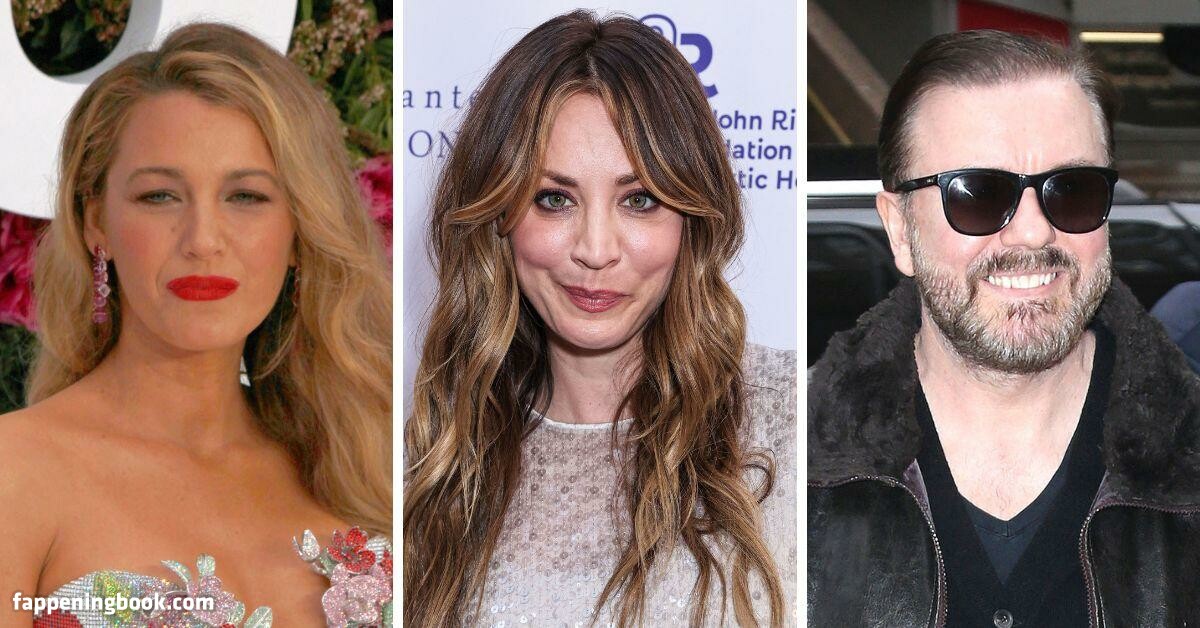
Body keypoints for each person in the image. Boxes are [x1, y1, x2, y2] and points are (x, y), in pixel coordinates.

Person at [404, 10, 795, 628]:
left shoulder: (793, 420)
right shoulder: (438, 463)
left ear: (691, 219)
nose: (595, 249)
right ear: (498, 216)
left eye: (639, 200)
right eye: (553, 199)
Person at [0, 23, 392, 627]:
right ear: (96, 223)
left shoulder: (364, 466)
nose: (203, 241)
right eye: (160, 196)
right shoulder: (16, 471)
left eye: (246, 197)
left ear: (299, 231)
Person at [809, 30, 1200, 627]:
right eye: (979, 194)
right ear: (900, 229)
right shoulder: (773, 474)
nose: (1034, 232)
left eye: (1072, 190)